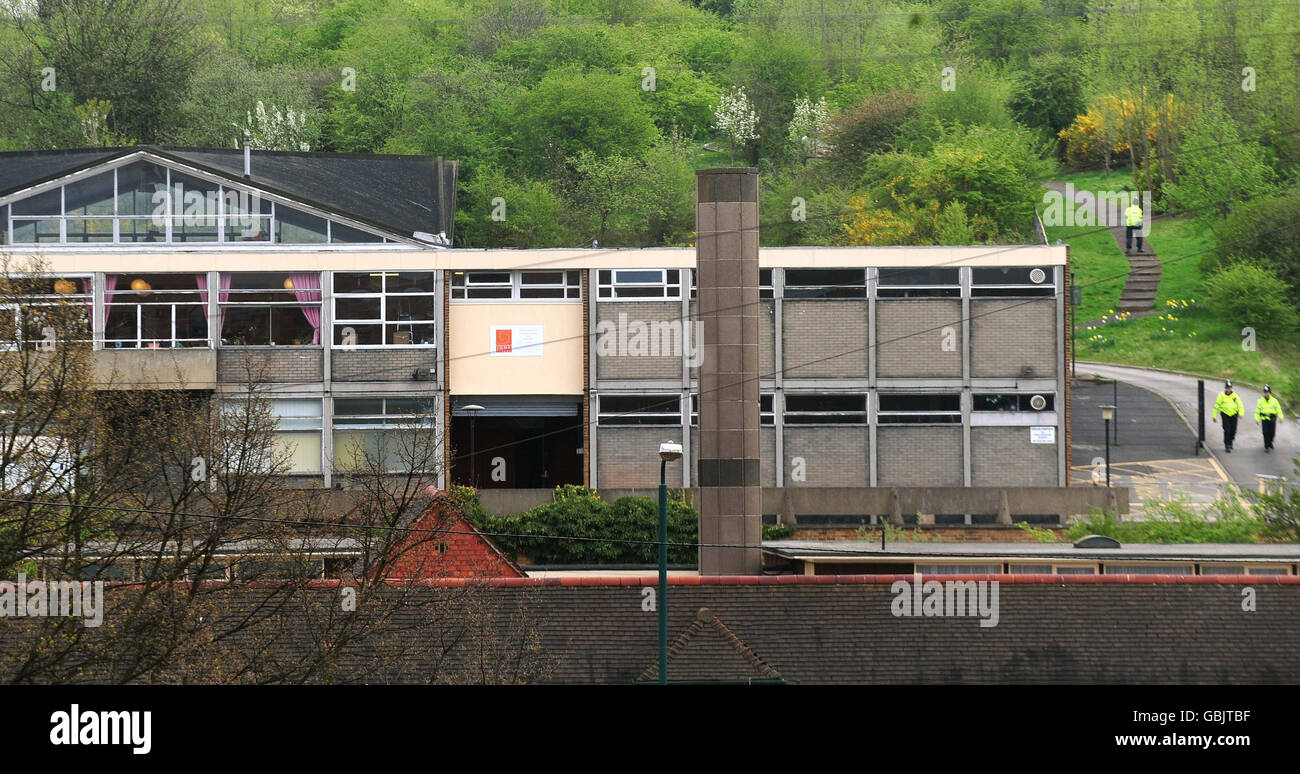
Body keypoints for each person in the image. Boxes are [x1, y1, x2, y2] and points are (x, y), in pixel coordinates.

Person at [1212, 379, 1245, 452]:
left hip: (1234, 415)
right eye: (1227, 388)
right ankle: (1227, 445)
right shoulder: (1221, 396)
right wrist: (1214, 416)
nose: (1228, 389)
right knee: (1227, 430)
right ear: (1225, 388)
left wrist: (1241, 413)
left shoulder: (1235, 396)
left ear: (1231, 388)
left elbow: (1240, 405)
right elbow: (1216, 405)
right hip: (1225, 414)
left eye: (1229, 388)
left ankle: (1230, 442)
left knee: (1233, 430)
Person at [1255, 384, 1284, 453]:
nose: (1266, 394)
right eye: (1265, 392)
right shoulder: (1260, 401)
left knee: (1272, 433)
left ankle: (1270, 442)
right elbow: (1257, 410)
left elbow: (1278, 409)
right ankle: (1267, 446)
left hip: (1272, 419)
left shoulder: (1274, 401)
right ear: (1264, 393)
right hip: (1264, 419)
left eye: (1268, 392)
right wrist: (1257, 418)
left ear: (1270, 393)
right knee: (1265, 433)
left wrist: (1281, 417)